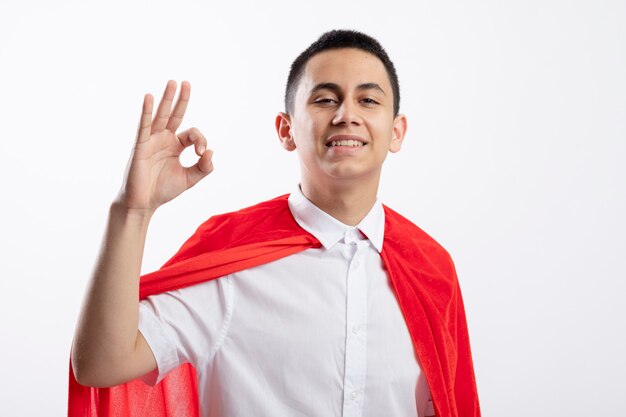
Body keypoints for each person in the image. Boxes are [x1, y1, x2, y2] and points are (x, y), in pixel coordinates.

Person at [70, 30, 481, 417]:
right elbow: (102, 365)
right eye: (324, 100)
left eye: (368, 101)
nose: (346, 115)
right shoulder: (230, 257)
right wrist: (133, 212)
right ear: (286, 130)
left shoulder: (430, 268)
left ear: (396, 131)